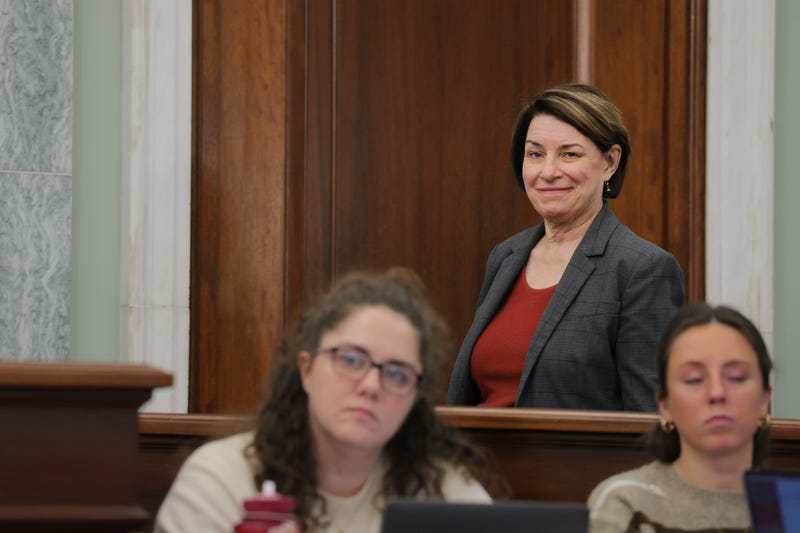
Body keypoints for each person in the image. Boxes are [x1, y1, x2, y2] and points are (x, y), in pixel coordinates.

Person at [155, 268, 494, 533]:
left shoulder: (445, 492)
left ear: (414, 398)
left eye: (396, 373)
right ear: (307, 371)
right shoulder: (223, 480)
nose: (371, 385)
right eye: (350, 360)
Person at [447, 83, 685, 410]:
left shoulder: (642, 269)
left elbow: (648, 424)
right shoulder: (506, 257)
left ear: (610, 163)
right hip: (479, 459)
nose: (548, 172)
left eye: (569, 154)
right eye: (535, 154)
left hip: (571, 463)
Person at [587, 303, 773, 532]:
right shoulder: (625, 501)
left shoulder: (789, 503)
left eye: (736, 377)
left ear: (765, 399)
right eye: (694, 379)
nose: (717, 393)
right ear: (665, 404)